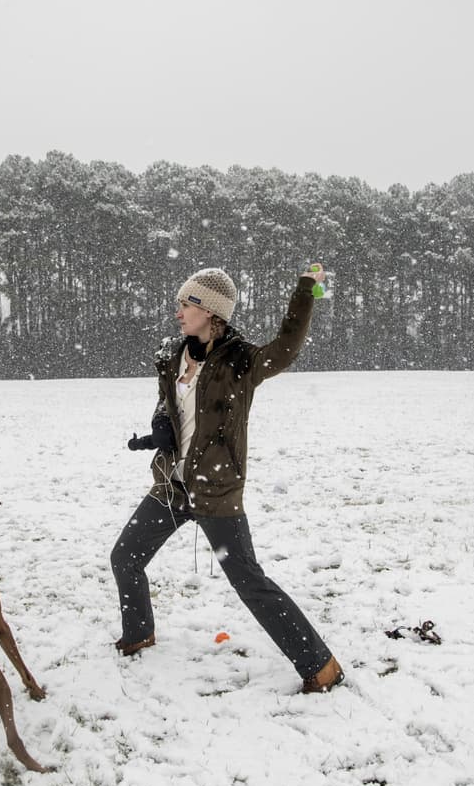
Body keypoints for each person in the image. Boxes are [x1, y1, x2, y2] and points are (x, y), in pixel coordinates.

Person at [110, 266, 344, 694]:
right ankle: (139, 633)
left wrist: (305, 292)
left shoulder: (242, 362)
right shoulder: (172, 354)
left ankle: (320, 665)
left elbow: (286, 346)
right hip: (172, 489)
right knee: (125, 557)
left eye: (186, 304)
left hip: (216, 491)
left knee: (249, 581)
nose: (178, 311)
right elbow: (169, 402)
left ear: (209, 311)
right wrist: (159, 426)